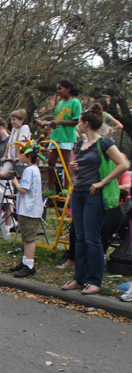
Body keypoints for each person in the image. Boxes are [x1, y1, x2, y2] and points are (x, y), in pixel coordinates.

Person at [61, 104, 129, 295]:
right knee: (79, 237)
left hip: (94, 196)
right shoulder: (78, 145)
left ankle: (95, 280)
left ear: (87, 123)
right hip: (79, 193)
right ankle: (79, 277)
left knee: (92, 238)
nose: (77, 125)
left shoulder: (104, 143)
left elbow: (123, 164)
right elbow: (76, 177)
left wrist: (101, 183)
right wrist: (73, 174)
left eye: (79, 122)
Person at [38, 80, 81, 195]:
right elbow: (56, 121)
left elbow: (75, 121)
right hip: (55, 136)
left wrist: (60, 122)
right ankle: (51, 187)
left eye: (60, 89)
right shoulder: (60, 103)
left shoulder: (75, 103)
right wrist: (45, 123)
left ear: (68, 89)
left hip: (66, 137)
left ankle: (66, 188)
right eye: (57, 89)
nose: (58, 92)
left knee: (66, 162)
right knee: (50, 161)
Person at [9, 142, 43, 278]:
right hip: (28, 209)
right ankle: (25, 261)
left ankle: (29, 265)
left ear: (28, 156)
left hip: (30, 209)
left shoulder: (29, 170)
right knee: (26, 236)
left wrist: (15, 183)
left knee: (29, 238)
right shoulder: (34, 169)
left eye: (22, 154)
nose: (20, 157)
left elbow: (24, 189)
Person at [0, 110, 31, 178]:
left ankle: (16, 174)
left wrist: (19, 157)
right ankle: (14, 174)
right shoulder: (14, 129)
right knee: (1, 174)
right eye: (11, 120)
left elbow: (21, 144)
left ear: (22, 120)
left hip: (19, 160)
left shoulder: (24, 128)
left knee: (20, 176)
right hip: (11, 159)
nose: (12, 122)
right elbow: (9, 143)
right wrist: (5, 156)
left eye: (14, 120)